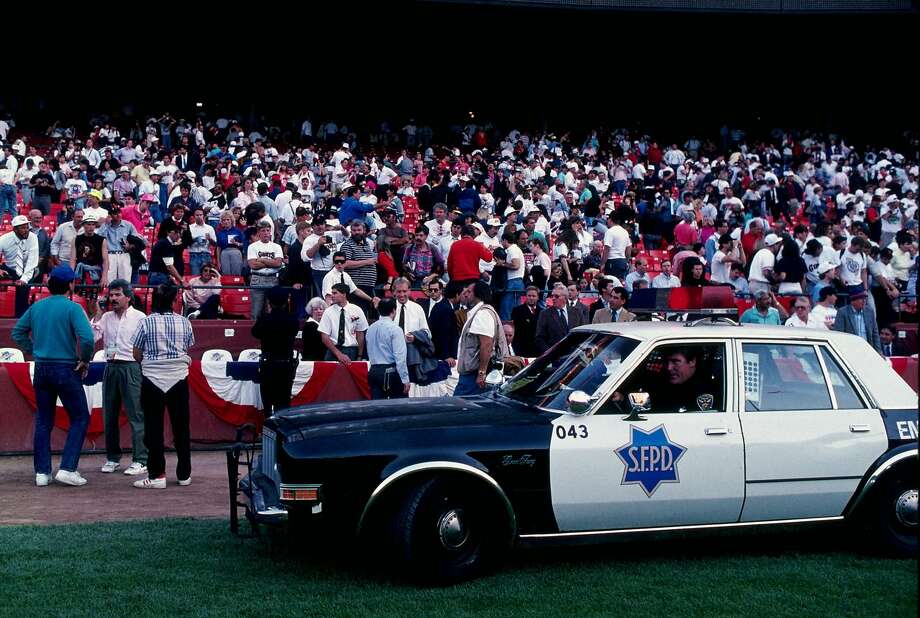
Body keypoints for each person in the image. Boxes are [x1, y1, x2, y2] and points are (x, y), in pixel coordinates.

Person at [12, 265, 94, 487]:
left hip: (42, 367)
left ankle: (42, 473)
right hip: (66, 367)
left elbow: (17, 332)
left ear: (49, 284)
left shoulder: (37, 307)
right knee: (79, 417)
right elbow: (87, 339)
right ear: (70, 285)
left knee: (43, 420)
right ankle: (67, 467)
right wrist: (84, 360)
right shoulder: (73, 307)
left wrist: (33, 348)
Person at [132, 284, 195, 489]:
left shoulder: (146, 322)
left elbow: (136, 353)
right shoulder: (184, 322)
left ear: (154, 300)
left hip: (153, 378)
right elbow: (187, 347)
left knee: (153, 429)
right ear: (174, 300)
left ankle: (157, 474)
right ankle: (184, 474)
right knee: (182, 428)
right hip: (179, 378)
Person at [90, 279, 147, 476]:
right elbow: (92, 336)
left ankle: (141, 459)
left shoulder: (140, 317)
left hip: (131, 367)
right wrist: (97, 313)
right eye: (111, 295)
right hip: (111, 367)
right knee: (109, 415)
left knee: (136, 414)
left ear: (128, 297)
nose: (113, 298)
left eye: (117, 295)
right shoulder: (106, 317)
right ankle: (113, 457)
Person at [251, 286, 300, 417]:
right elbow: (294, 331)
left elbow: (255, 332)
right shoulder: (292, 320)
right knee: (284, 401)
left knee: (267, 401)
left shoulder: (265, 319)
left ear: (269, 302)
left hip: (269, 364)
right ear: (286, 302)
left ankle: (269, 431)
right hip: (286, 365)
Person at [455, 281, 507, 397]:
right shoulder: (481, 312)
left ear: (478, 294)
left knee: (457, 409)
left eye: (469, 291)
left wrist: (481, 373)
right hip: (474, 375)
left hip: (474, 376)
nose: (465, 294)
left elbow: (486, 345)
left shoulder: (482, 314)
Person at [365, 298, 411, 399]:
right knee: (398, 408)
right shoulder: (396, 329)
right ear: (394, 310)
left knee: (377, 408)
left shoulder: (370, 328)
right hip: (390, 372)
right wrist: (405, 379)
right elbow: (400, 357)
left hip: (373, 370)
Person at [318, 282, 368, 363]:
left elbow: (360, 334)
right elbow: (324, 337)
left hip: (351, 350)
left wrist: (359, 355)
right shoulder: (328, 312)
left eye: (335, 293)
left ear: (344, 294)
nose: (332, 296)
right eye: (332, 293)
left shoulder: (357, 310)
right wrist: (339, 354)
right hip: (332, 350)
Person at [0, 214, 39, 317]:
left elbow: (32, 261)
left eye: (27, 227)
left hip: (27, 269)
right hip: (10, 268)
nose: (26, 230)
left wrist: (24, 279)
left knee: (23, 291)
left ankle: (20, 318)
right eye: (22, 228)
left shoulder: (33, 237)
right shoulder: (4, 239)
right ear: (15, 229)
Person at [96, 206, 145, 284]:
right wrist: (106, 224)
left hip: (124, 254)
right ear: (110, 215)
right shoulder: (105, 225)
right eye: (115, 213)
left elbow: (138, 241)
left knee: (125, 281)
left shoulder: (128, 225)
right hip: (110, 254)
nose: (118, 215)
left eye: (119, 212)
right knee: (110, 280)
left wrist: (130, 246)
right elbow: (99, 239)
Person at [535, 283, 588, 354]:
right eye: (552, 296)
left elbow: (583, 334)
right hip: (554, 356)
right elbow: (539, 338)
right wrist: (549, 353)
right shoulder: (545, 314)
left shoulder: (577, 312)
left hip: (574, 356)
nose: (553, 298)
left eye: (556, 296)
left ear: (565, 297)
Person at [247, 221, 284, 320]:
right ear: (258, 232)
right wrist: (271, 262)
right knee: (256, 311)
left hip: (272, 279)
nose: (266, 233)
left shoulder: (276, 247)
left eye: (268, 230)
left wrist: (262, 260)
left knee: (272, 311)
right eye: (263, 231)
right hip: (257, 279)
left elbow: (278, 263)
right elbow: (253, 265)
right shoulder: (253, 247)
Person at [511, 286, 543, 358]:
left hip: (538, 350)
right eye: (529, 296)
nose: (531, 298)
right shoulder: (517, 310)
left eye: (534, 296)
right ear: (526, 296)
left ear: (538, 297)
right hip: (522, 349)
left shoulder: (542, 312)